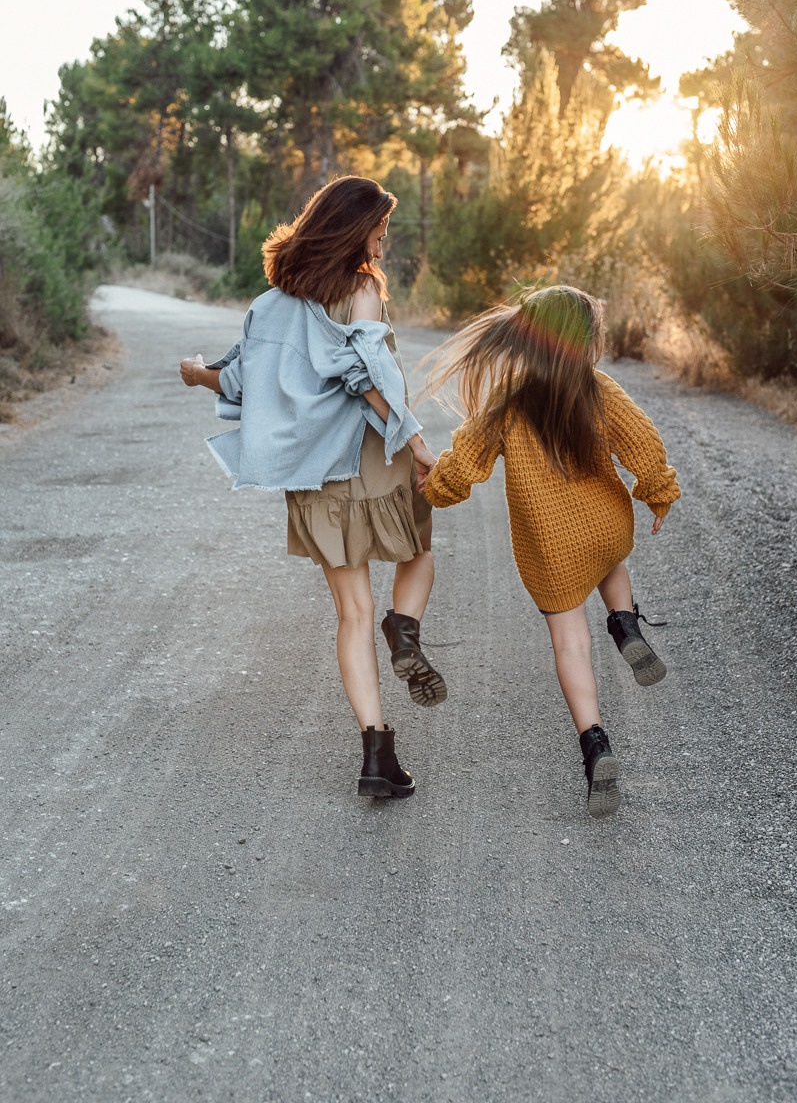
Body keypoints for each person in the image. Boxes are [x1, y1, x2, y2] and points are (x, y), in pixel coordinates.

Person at [179, 176, 446, 799]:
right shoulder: (362, 291)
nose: (382, 245)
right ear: (354, 228)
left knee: (349, 613)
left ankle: (378, 756)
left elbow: (236, 384)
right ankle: (403, 630)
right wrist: (418, 446)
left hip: (314, 476)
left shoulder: (271, 303)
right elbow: (372, 375)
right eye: (379, 231)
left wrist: (196, 374)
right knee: (420, 555)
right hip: (371, 459)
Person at [421, 285, 680, 819]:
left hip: (552, 548)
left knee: (570, 645)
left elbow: (463, 467)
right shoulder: (599, 389)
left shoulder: (507, 403)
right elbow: (646, 448)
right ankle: (625, 624)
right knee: (610, 554)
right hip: (606, 528)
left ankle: (595, 746)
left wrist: (434, 489)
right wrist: (659, 495)